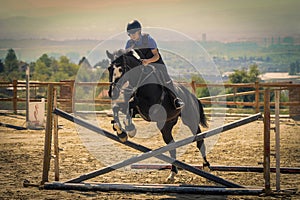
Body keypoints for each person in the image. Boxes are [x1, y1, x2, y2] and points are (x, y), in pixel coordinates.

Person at [125, 19, 184, 110]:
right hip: (143, 65)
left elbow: (156, 56)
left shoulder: (148, 40)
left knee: (165, 79)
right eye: (129, 34)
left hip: (156, 62)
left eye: (133, 33)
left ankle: (176, 99)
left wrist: (148, 61)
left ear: (139, 31)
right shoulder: (129, 43)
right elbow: (127, 56)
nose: (131, 36)